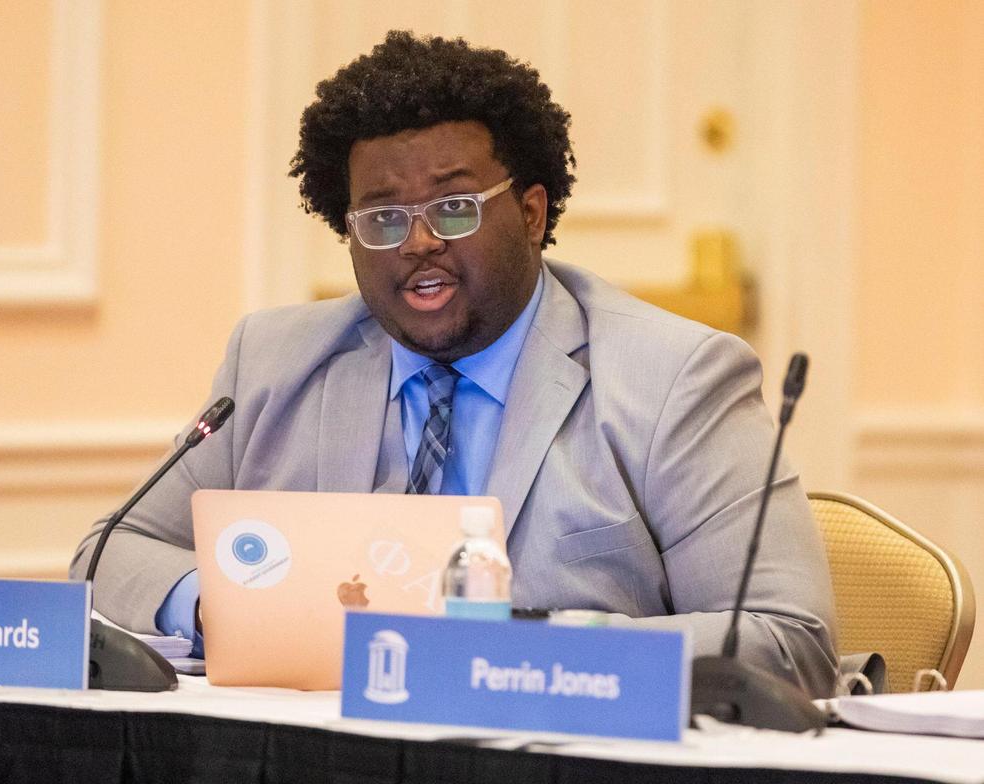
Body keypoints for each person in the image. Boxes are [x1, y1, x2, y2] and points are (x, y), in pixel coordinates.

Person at [71, 31, 838, 697]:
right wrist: (232, 605)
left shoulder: (675, 377)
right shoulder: (275, 362)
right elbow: (106, 557)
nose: (416, 244)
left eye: (454, 207)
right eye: (381, 217)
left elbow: (789, 637)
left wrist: (530, 648)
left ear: (532, 213)